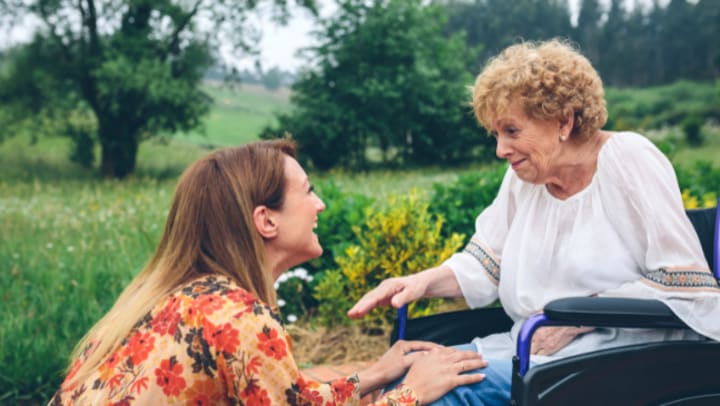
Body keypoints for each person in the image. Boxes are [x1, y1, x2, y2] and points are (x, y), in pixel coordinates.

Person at [348, 38, 720, 405]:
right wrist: (417, 282)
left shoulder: (627, 158)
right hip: (532, 346)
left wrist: (574, 321)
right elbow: (485, 263)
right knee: (403, 378)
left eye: (512, 131)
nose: (500, 150)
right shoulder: (525, 179)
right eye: (496, 134)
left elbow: (684, 281)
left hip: (616, 352)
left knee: (443, 395)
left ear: (564, 120)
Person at [49, 140, 488, 405]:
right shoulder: (239, 320)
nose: (319, 205)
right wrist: (412, 393)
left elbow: (287, 399)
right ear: (266, 221)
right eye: (308, 191)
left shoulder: (177, 297)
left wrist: (372, 376)